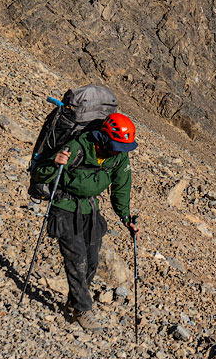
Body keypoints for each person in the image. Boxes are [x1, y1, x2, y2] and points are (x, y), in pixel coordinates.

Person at [33, 112, 139, 331]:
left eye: (122, 147)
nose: (118, 151)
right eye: (116, 145)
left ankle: (73, 304)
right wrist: (55, 162)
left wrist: (126, 218)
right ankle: (83, 309)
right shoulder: (77, 147)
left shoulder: (119, 156)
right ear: (103, 137)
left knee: (91, 260)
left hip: (90, 209)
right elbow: (39, 174)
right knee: (77, 258)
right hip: (64, 207)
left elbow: (121, 188)